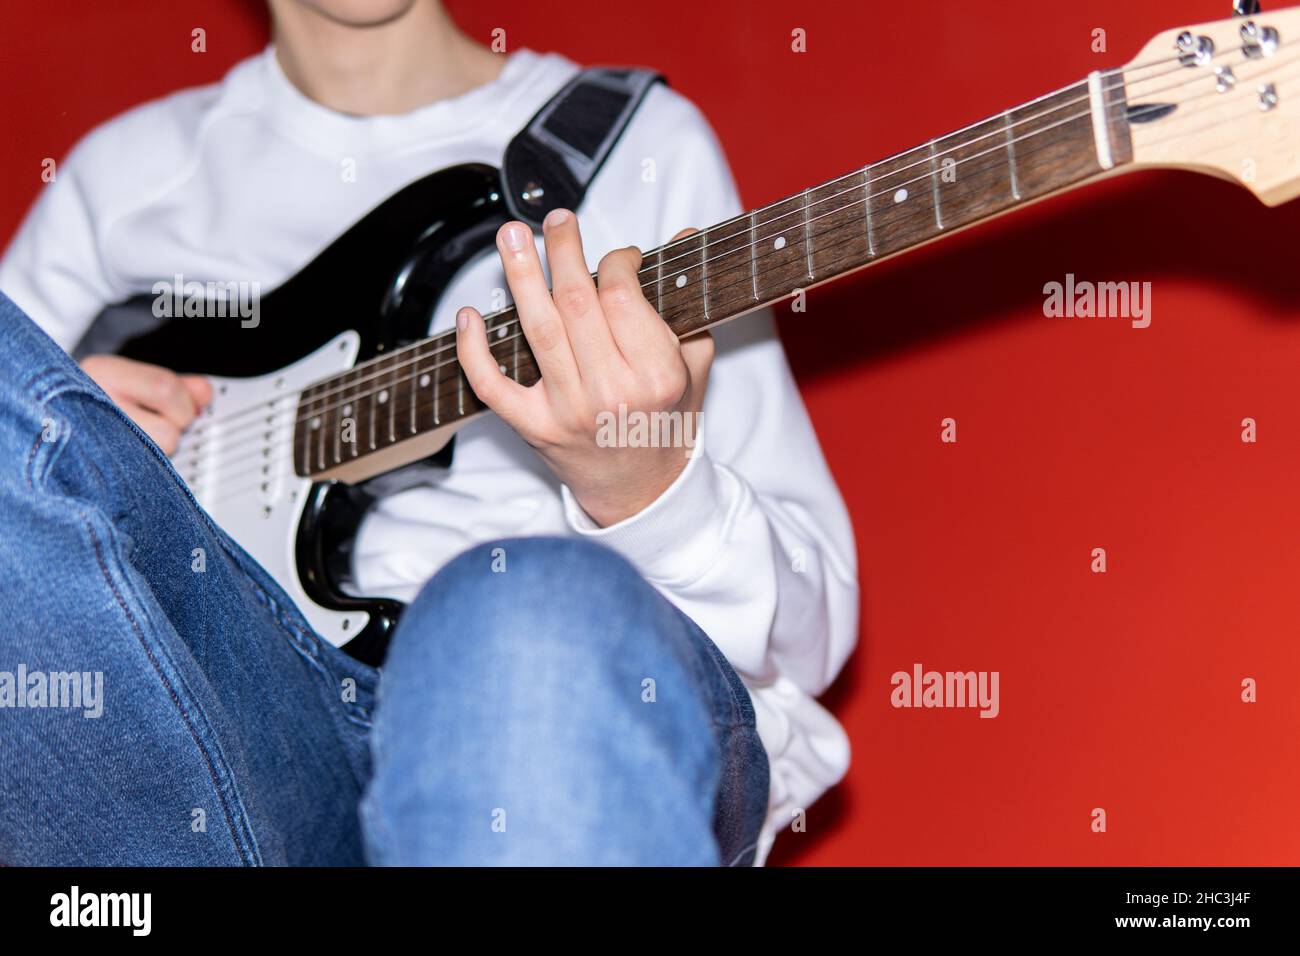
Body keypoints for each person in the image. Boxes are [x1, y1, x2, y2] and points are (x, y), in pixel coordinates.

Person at [0, 0, 857, 865]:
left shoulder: (633, 143)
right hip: (217, 762)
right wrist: (66, 433)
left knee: (519, 610)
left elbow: (811, 640)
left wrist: (646, 487)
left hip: (533, 736)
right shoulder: (118, 181)